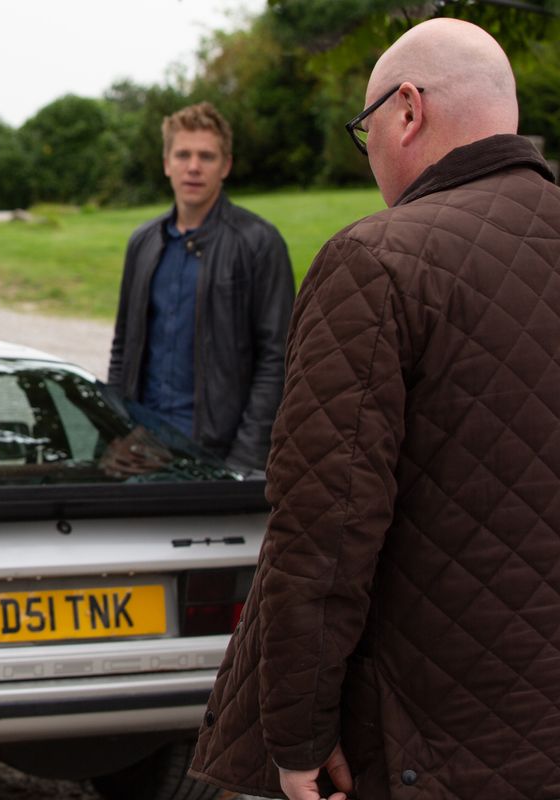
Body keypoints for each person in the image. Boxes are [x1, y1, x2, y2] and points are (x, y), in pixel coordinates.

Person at [188, 18, 560, 800]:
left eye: (368, 130)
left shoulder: (378, 260)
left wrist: (293, 735)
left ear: (408, 110)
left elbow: (323, 526)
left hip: (425, 739)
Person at [107, 102, 294, 474]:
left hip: (220, 453)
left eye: (206, 156)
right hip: (144, 446)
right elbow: (123, 346)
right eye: (183, 154)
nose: (193, 166)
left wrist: (243, 460)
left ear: (225, 165)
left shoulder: (259, 241)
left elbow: (278, 358)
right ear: (166, 163)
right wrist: (116, 428)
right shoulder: (142, 242)